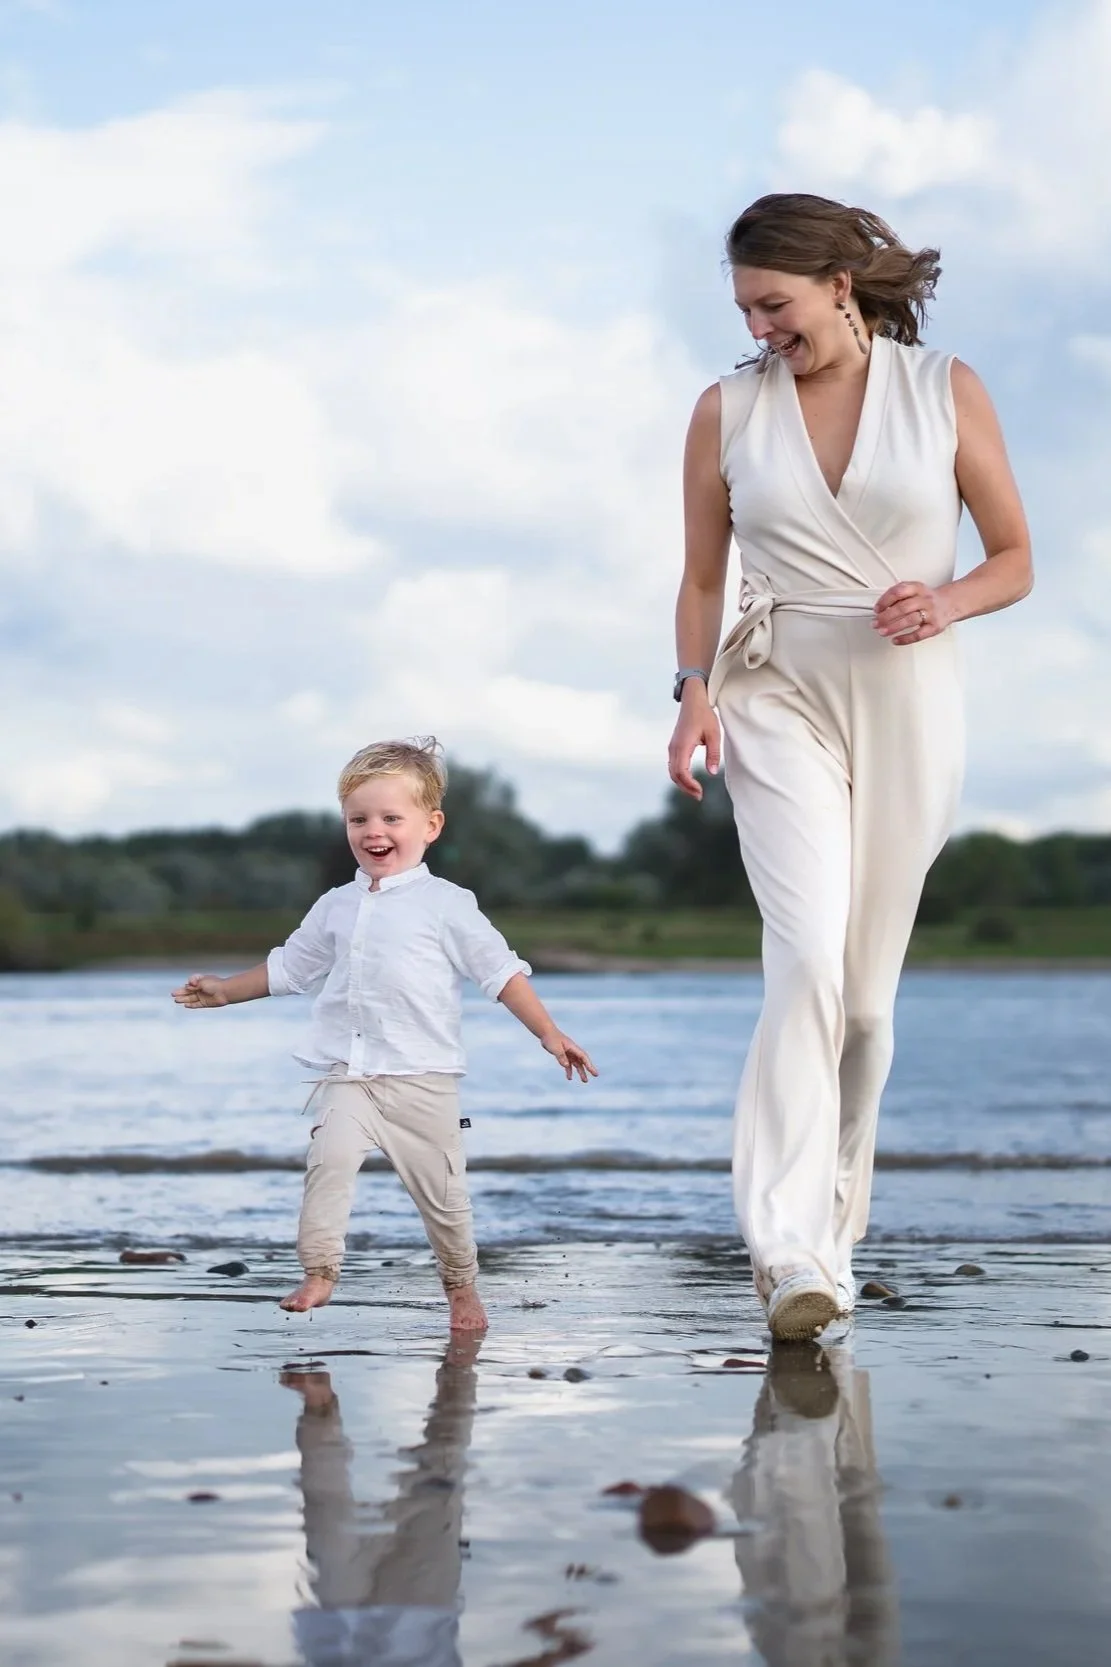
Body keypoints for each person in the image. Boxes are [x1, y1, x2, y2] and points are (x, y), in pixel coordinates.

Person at [668, 193, 1031, 1341]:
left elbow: (1015, 556)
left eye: (774, 303)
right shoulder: (725, 410)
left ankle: (833, 1231)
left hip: (908, 696)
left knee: (866, 1007)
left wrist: (949, 597)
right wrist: (689, 693)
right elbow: (698, 577)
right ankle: (785, 1252)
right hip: (773, 691)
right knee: (805, 963)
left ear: (839, 282)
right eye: (743, 309)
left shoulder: (946, 390)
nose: (760, 326)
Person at [172, 737, 596, 1333]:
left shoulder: (448, 905)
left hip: (424, 1081)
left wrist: (549, 1034)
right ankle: (321, 1271)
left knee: (445, 1204)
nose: (374, 831)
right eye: (359, 819)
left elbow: (499, 972)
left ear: (431, 825)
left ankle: (462, 1291)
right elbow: (290, 968)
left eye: (391, 818)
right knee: (329, 1160)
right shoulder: (335, 906)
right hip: (348, 1075)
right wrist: (224, 989)